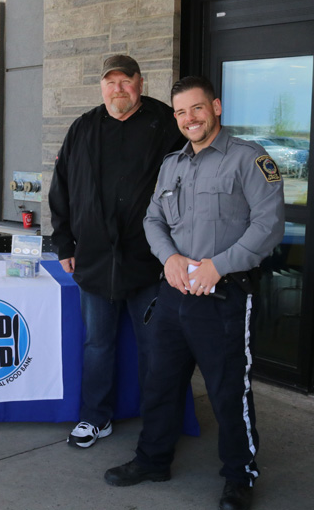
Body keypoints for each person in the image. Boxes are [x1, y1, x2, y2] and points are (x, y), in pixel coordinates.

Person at [104, 76, 284, 510]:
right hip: (173, 294)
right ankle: (152, 459)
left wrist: (218, 265)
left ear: (216, 107)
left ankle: (239, 478)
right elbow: (153, 221)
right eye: (181, 112)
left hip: (223, 297)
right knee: (160, 382)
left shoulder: (249, 159)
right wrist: (168, 259)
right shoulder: (173, 164)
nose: (189, 119)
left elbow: (269, 224)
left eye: (197, 109)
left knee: (228, 393)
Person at [48, 55, 185, 448]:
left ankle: (158, 424)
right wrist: (64, 242)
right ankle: (96, 418)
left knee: (154, 347)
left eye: (126, 81)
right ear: (102, 87)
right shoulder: (83, 128)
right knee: (98, 345)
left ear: (140, 83)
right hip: (93, 260)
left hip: (149, 262)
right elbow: (62, 189)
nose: (118, 89)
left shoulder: (165, 124)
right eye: (111, 82)